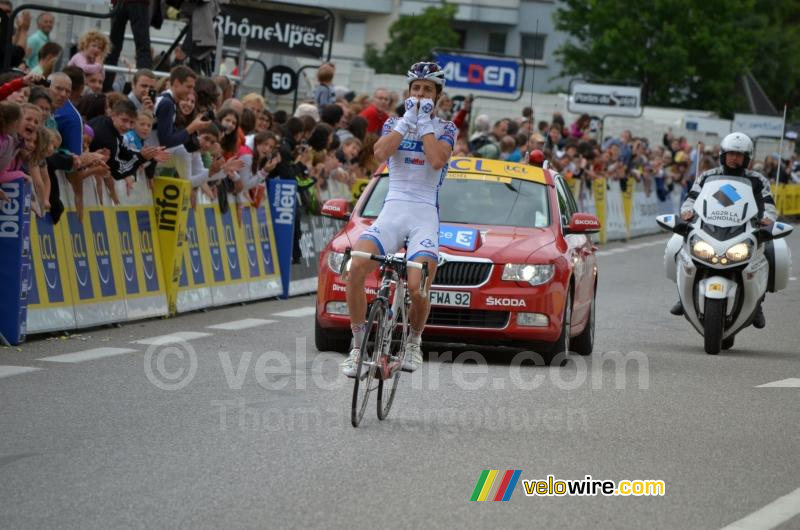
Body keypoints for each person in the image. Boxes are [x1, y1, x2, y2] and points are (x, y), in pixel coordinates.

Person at [341, 61, 456, 377]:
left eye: (427, 90)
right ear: (408, 93)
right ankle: (358, 344)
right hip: (392, 210)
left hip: (423, 216)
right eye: (416, 89)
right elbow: (379, 153)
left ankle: (414, 341)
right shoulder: (394, 122)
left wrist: (425, 123)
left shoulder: (446, 128)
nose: (420, 94)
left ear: (437, 96)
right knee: (356, 267)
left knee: (418, 287)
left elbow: (435, 160)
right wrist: (408, 120)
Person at [669, 132, 776, 328]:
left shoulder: (758, 180)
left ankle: (758, 303)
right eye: (731, 153)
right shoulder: (708, 176)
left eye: (739, 154)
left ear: (747, 158)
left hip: (746, 229)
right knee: (678, 246)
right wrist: (686, 213)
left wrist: (768, 219)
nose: (734, 158)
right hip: (709, 226)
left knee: (770, 252)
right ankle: (682, 296)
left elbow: (768, 204)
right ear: (723, 154)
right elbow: (691, 199)